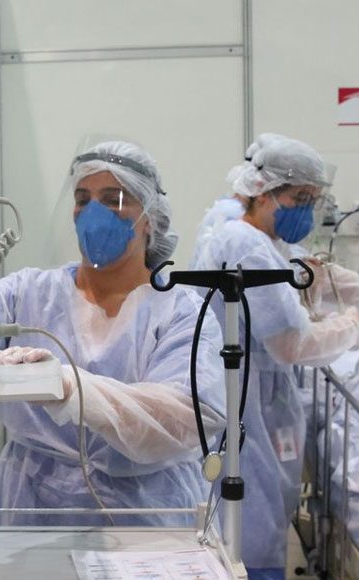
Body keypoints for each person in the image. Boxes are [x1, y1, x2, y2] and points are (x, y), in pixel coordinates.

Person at [0, 141, 226, 528]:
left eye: (114, 199)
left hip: (147, 511)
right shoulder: (25, 294)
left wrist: (72, 388)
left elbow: (183, 418)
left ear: (149, 218)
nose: (93, 213)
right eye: (83, 199)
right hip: (32, 506)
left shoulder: (181, 312)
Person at [190, 134, 359, 578]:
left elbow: (310, 275)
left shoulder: (266, 240)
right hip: (245, 396)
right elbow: (292, 344)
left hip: (261, 394)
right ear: (263, 192)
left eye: (312, 199)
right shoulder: (244, 243)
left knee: (262, 508)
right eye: (299, 198)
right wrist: (353, 323)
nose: (307, 209)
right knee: (252, 518)